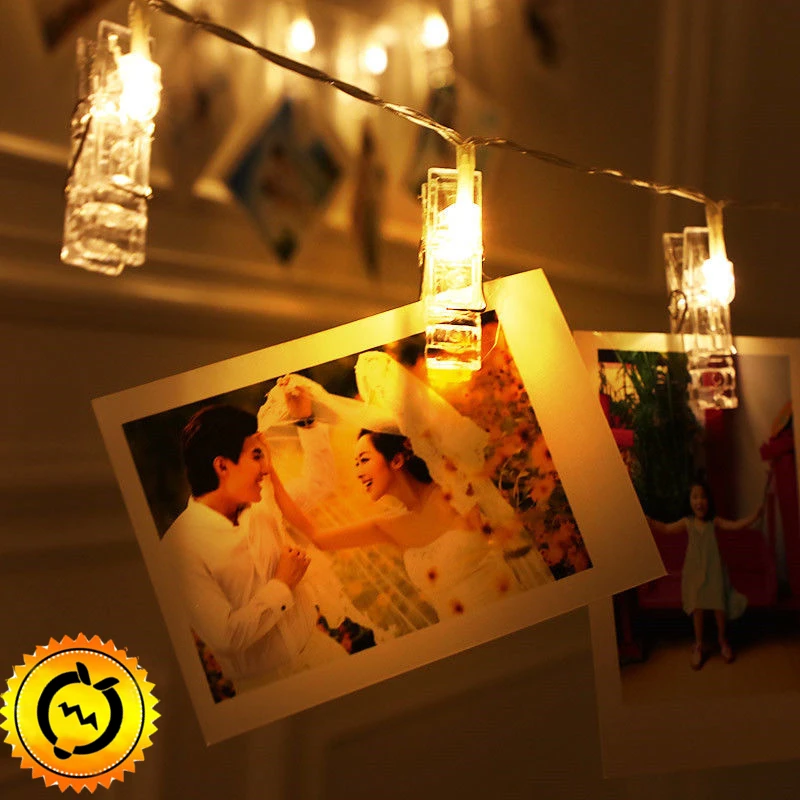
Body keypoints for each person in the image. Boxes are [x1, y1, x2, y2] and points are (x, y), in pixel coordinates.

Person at [259, 352, 554, 621]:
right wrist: (277, 459)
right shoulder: (394, 525)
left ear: (398, 459)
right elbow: (318, 537)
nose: (358, 472)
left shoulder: (455, 489)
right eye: (356, 463)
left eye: (363, 460)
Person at [162, 383, 348, 693]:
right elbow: (226, 636)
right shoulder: (179, 547)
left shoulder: (262, 501)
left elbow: (321, 483)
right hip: (268, 690)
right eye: (256, 456)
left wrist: (305, 419)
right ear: (222, 466)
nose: (266, 469)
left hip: (324, 654)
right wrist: (281, 585)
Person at [646, 480, 763, 670]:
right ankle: (698, 644)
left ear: (709, 501)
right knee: (697, 608)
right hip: (694, 574)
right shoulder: (687, 522)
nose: (699, 501)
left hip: (715, 572)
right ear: (689, 501)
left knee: (719, 607)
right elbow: (666, 528)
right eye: (695, 497)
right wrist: (649, 521)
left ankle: (723, 640)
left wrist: (754, 516)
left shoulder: (714, 522)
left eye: (703, 497)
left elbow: (735, 526)